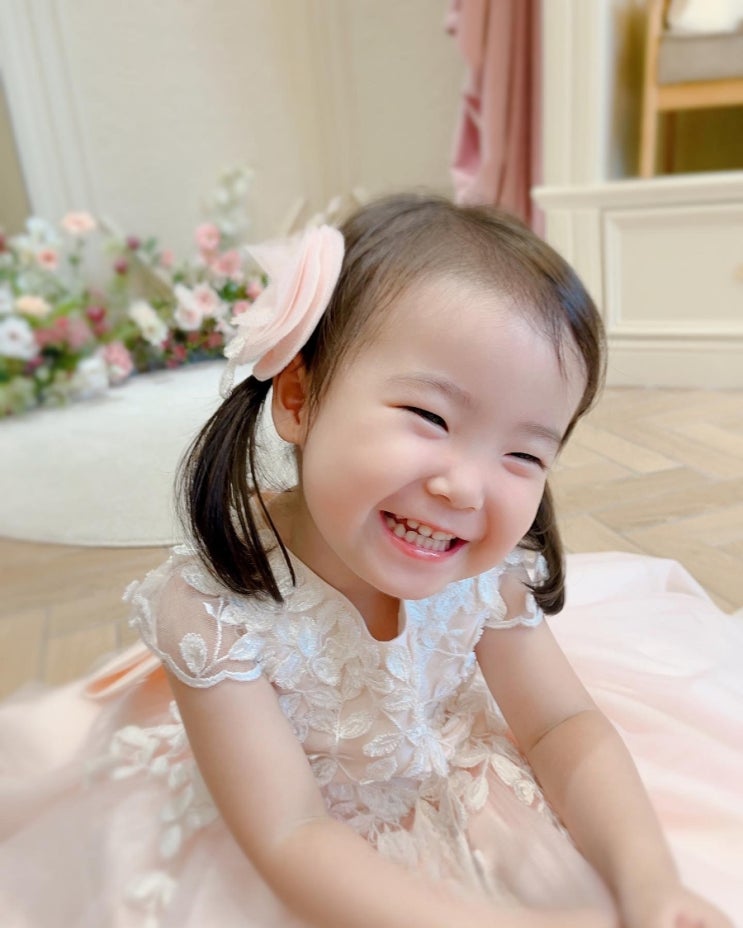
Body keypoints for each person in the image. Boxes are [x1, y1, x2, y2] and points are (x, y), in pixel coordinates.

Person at [0, 194, 739, 928]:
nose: (465, 487)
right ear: (299, 395)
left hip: (458, 783)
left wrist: (649, 879)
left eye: (523, 455)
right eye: (430, 417)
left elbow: (559, 725)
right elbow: (291, 834)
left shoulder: (488, 575)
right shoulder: (213, 614)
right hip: (303, 850)